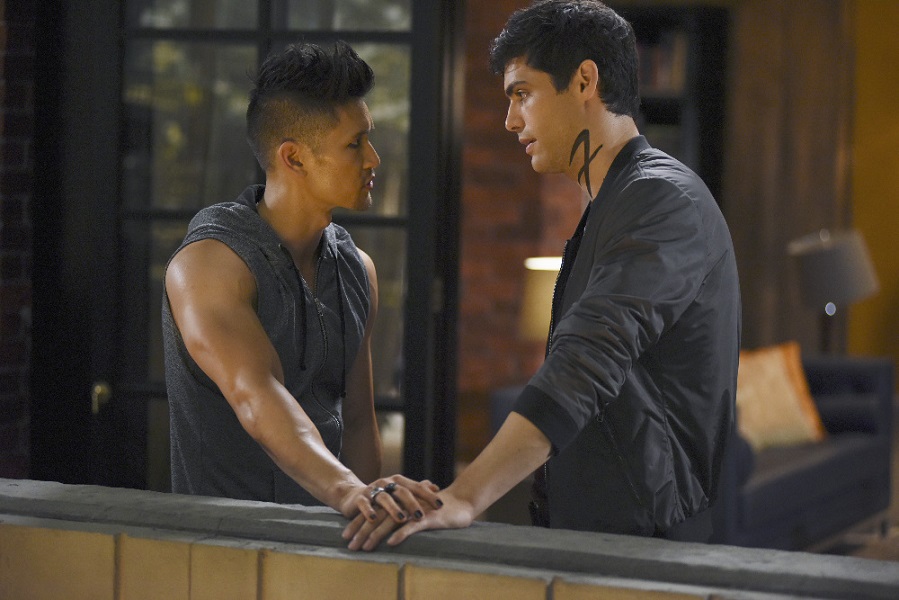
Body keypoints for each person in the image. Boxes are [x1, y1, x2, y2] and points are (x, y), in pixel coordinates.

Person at [344, 0, 740, 551]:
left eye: (522, 94)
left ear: (584, 81)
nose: (511, 120)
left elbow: (588, 358)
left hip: (647, 546)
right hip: (605, 535)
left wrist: (465, 497)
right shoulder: (614, 203)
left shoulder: (662, 200)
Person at [162, 41, 440, 524]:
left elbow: (359, 423)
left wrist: (366, 518)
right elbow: (256, 396)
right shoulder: (208, 264)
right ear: (293, 158)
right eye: (354, 143)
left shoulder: (358, 268)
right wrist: (351, 492)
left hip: (324, 544)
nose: (373, 158)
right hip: (222, 544)